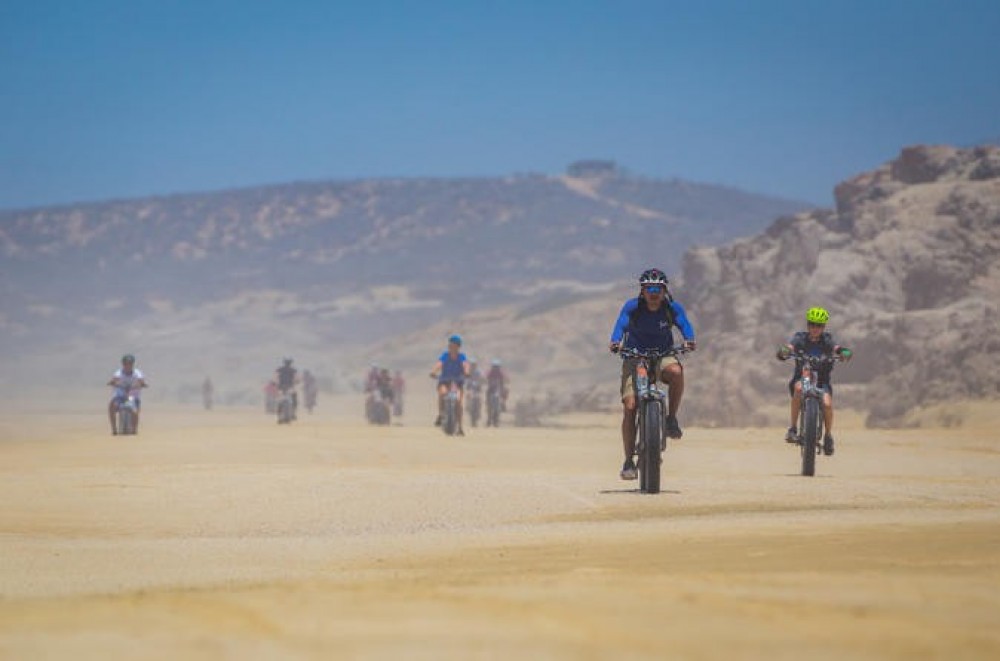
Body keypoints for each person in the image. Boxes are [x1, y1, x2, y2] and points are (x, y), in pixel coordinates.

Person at [609, 268, 696, 480]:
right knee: (630, 406)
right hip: (635, 357)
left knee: (676, 371)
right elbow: (621, 323)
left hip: (663, 355)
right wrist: (615, 341)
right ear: (643, 291)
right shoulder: (633, 307)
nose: (654, 293)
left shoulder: (671, 308)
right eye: (649, 289)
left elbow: (684, 323)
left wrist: (689, 338)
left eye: (658, 288)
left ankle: (671, 419)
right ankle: (629, 461)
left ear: (665, 290)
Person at [776, 307, 853, 456]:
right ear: (807, 325)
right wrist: (784, 350)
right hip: (804, 378)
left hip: (822, 382)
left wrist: (844, 352)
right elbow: (790, 346)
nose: (815, 328)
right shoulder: (800, 338)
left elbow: (836, 348)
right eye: (812, 324)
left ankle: (828, 436)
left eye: (819, 325)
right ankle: (792, 428)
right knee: (799, 389)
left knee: (827, 404)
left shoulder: (827, 340)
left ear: (823, 327)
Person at [429, 334, 470, 435]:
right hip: (445, 381)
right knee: (442, 393)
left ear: (458, 346)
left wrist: (466, 372)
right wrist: (433, 371)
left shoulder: (462, 357)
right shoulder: (445, 356)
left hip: (457, 383)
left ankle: (460, 427)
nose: (451, 347)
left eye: (453, 345)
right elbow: (439, 364)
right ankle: (441, 415)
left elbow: (465, 365)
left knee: (459, 403)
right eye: (450, 345)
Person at [107, 354, 148, 435]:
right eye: (126, 363)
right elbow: (114, 380)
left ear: (132, 364)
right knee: (112, 406)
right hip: (120, 397)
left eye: (130, 363)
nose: (128, 365)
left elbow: (141, 382)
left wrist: (139, 385)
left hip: (132, 397)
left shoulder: (137, 373)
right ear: (123, 364)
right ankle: (114, 430)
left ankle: (134, 430)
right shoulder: (118, 373)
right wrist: (114, 383)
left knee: (134, 410)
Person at [485, 359, 509, 424]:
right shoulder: (490, 372)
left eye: (497, 366)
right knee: (487, 393)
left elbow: (505, 379)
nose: (496, 368)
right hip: (491, 389)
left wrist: (504, 383)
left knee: (506, 391)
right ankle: (488, 406)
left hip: (498, 388)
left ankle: (503, 403)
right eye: (494, 366)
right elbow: (486, 378)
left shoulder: (500, 373)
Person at [465, 357, 484, 426]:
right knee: (468, 396)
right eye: (472, 364)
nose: (473, 366)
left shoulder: (478, 372)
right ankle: (467, 407)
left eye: (474, 364)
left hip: (477, 389)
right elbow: (465, 378)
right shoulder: (468, 371)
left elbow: (482, 378)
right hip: (470, 388)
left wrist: (481, 381)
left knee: (479, 399)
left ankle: (479, 412)